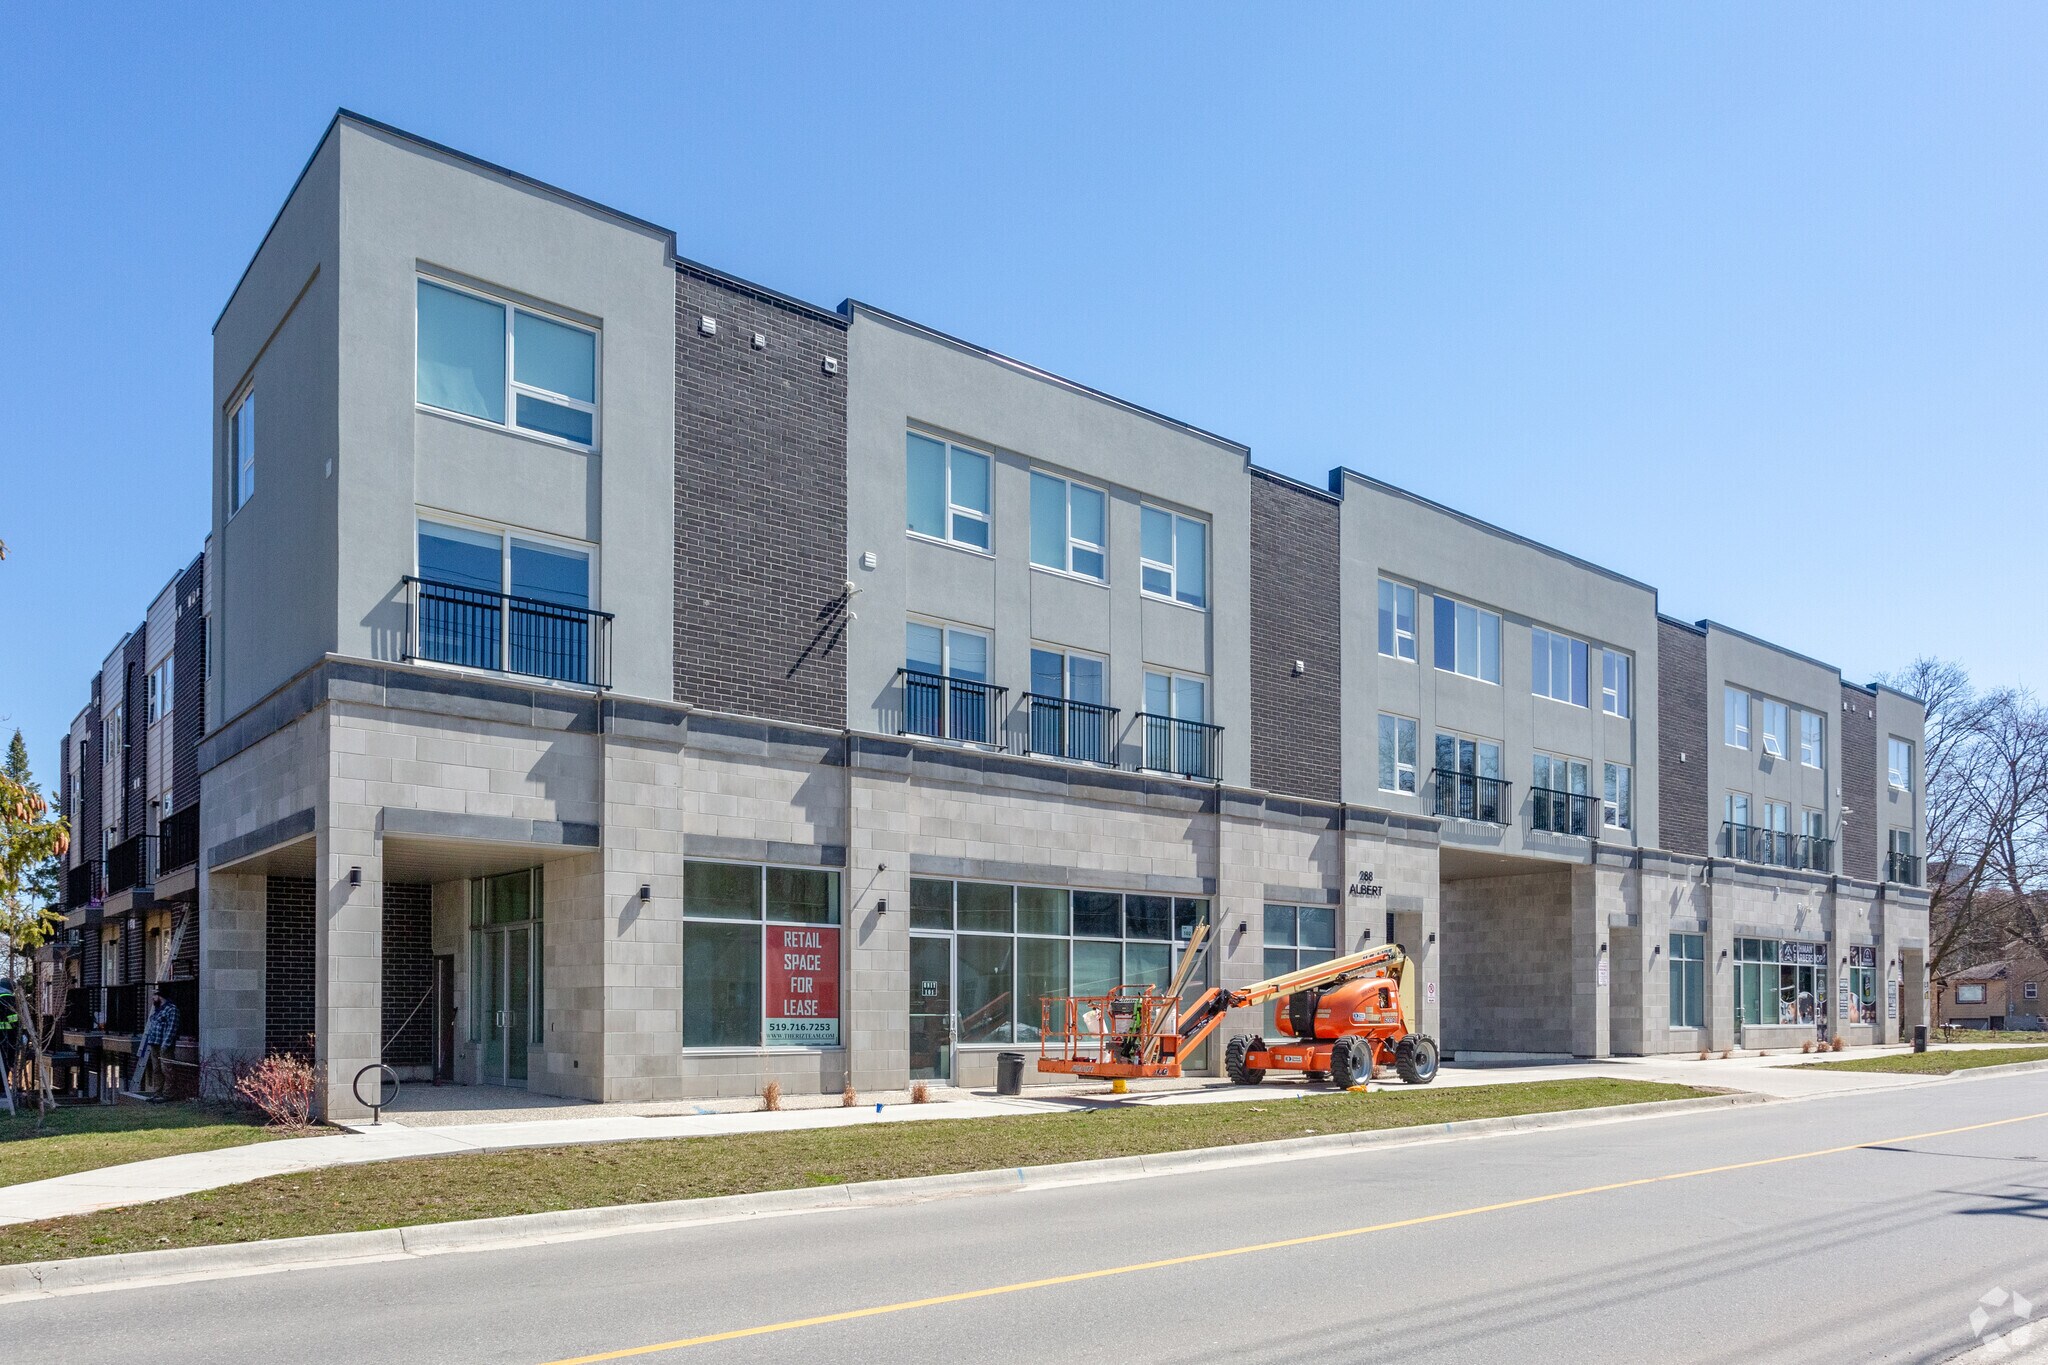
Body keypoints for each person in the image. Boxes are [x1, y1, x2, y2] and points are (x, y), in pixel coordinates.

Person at [133, 989, 178, 1098]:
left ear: (160, 996)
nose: (152, 997)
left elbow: (172, 1028)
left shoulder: (171, 1009)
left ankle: (168, 1094)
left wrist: (165, 1044)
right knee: (156, 1069)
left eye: (154, 995)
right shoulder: (157, 1010)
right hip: (154, 1043)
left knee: (166, 1069)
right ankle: (157, 1093)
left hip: (164, 1045)